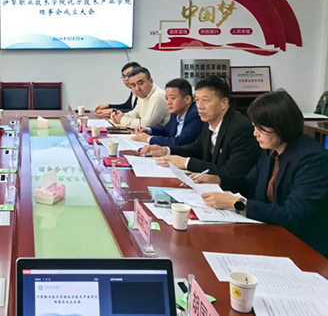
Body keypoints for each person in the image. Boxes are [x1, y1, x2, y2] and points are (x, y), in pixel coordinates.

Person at [196, 91, 328, 257]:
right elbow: (250, 182)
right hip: (270, 233)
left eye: (260, 128)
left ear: (280, 125)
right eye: (254, 127)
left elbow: (293, 215)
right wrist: (218, 180)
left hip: (304, 247)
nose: (255, 134)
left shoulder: (312, 159)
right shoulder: (271, 148)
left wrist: (237, 203)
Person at [142, 75, 260, 178]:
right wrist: (166, 150)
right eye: (197, 100)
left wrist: (186, 163)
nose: (200, 106)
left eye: (205, 100)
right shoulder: (209, 121)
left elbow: (232, 172)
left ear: (224, 103)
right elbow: (198, 148)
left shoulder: (239, 128)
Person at [132, 78, 203, 147]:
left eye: (173, 98)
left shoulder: (195, 115)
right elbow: (167, 130)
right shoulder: (176, 113)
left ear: (187, 99)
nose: (168, 102)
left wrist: (149, 138)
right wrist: (148, 130)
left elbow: (180, 142)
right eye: (166, 98)